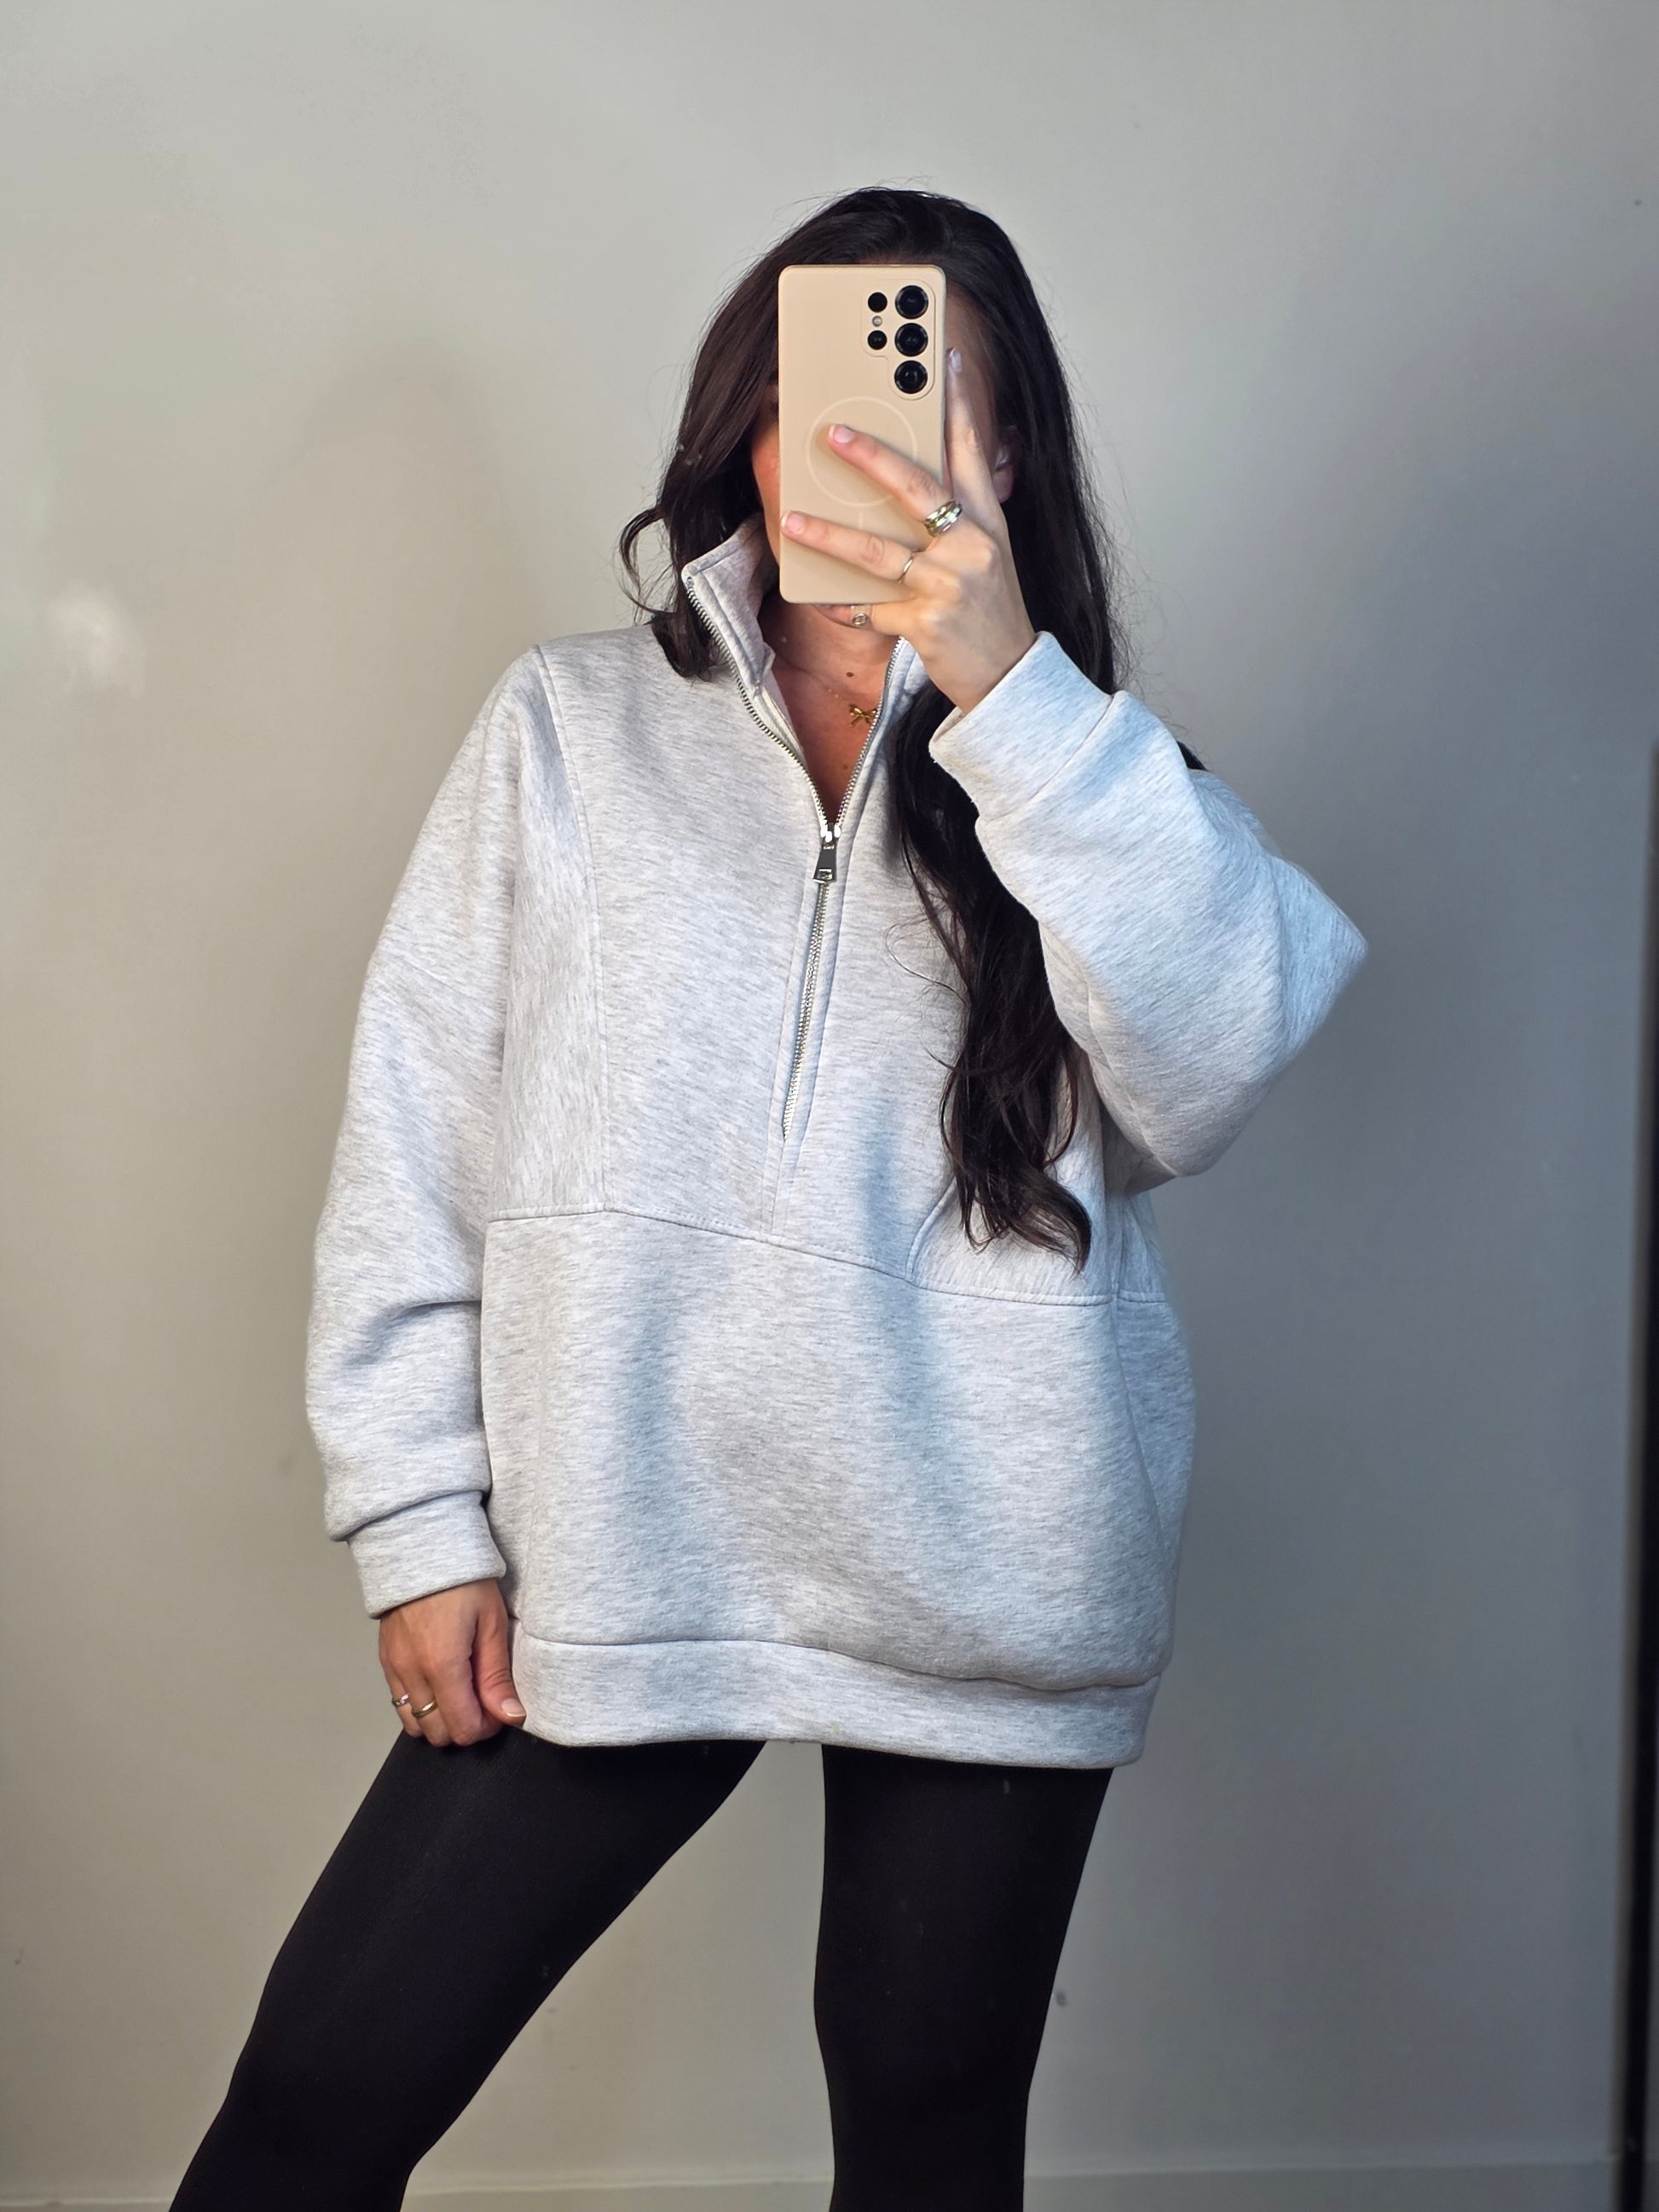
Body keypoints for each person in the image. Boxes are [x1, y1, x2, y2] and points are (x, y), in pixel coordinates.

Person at [170, 185, 1367, 2209]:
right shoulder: (566, 727)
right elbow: (415, 1135)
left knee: (924, 2142)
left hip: (985, 1564)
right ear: (753, 418)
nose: (873, 440)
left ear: (1008, 450)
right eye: (832, 388)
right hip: (621, 1535)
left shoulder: (1087, 771)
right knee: (319, 2094)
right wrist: (419, 1515)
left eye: (932, 396)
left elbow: (1223, 1055)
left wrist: (1011, 699)